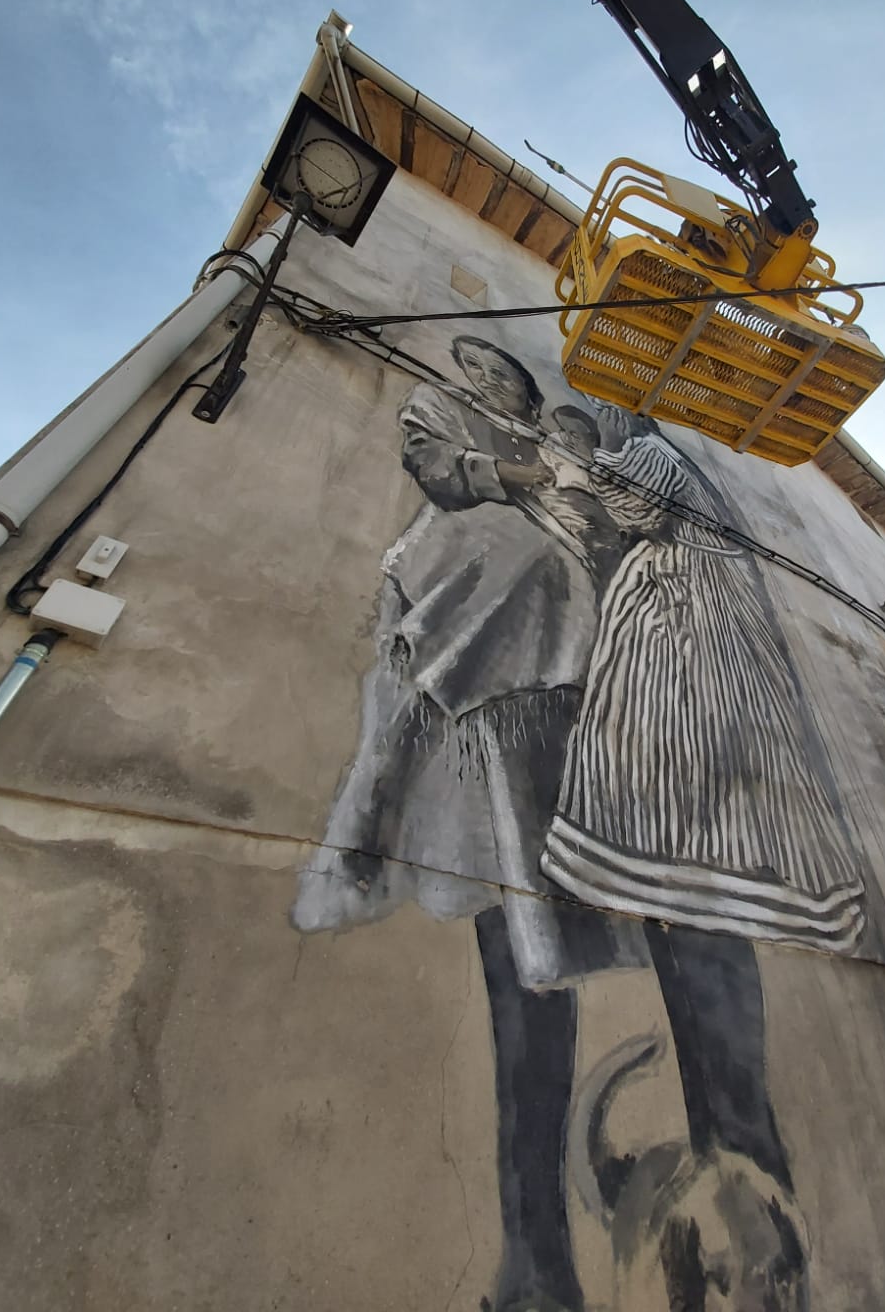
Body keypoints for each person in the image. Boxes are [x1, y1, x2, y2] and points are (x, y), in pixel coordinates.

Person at [292, 337, 634, 1312]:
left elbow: (600, 535)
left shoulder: (558, 470)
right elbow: (440, 470)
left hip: (544, 683)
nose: (495, 385)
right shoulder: (448, 428)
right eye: (485, 375)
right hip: (465, 620)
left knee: (536, 941)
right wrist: (525, 476)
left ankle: (537, 1262)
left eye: (506, 380)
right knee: (497, 888)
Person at [540, 405, 869, 1296]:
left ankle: (747, 1190)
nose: (589, 427)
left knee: (675, 789)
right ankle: (735, 1174)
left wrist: (564, 468)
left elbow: (623, 508)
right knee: (676, 851)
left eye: (591, 420)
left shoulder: (655, 460)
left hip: (686, 648)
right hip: (680, 632)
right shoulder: (673, 492)